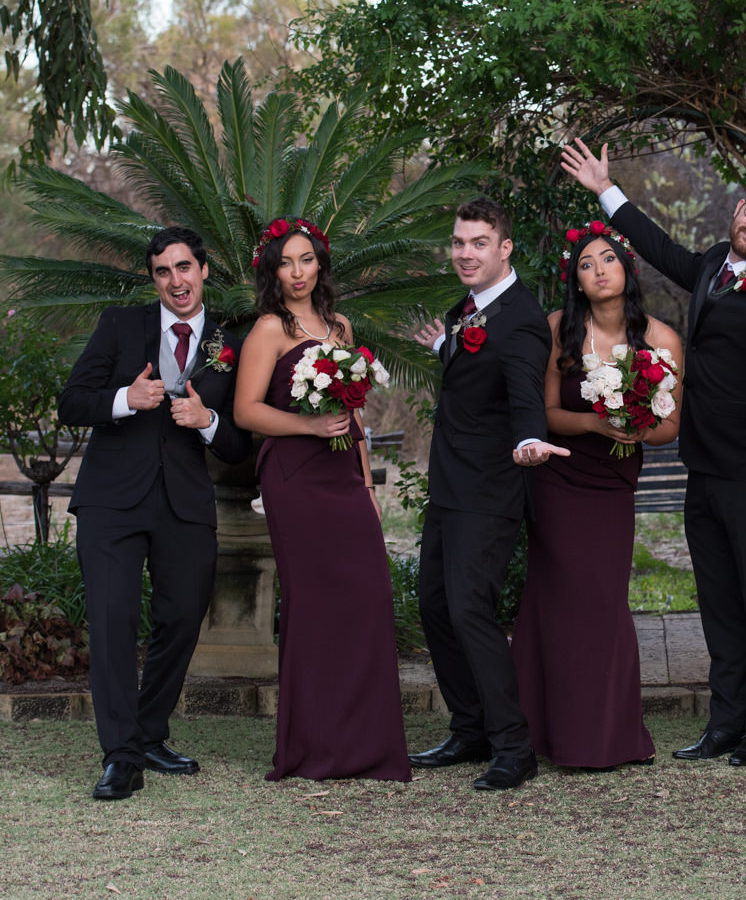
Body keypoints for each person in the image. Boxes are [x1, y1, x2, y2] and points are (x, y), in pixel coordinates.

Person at [562, 140, 746, 768]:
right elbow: (659, 250)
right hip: (704, 465)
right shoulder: (712, 262)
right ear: (738, 210)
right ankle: (723, 722)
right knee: (717, 602)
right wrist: (607, 189)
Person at [59, 227, 251, 801]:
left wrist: (208, 422)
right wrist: (124, 400)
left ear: (204, 271)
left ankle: (148, 732)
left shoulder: (230, 340)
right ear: (154, 279)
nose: (176, 280)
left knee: (183, 617)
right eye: (163, 271)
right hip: (111, 502)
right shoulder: (121, 325)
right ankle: (121, 756)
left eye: (184, 267)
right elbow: (71, 402)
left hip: (185, 504)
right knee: (114, 623)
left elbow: (243, 442)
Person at [232, 217, 410, 782]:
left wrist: (365, 481)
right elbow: (245, 412)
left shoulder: (340, 324)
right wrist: (309, 428)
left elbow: (353, 411)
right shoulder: (268, 329)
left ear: (320, 263)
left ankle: (367, 745)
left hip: (343, 477)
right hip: (295, 477)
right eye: (285, 262)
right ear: (272, 270)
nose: (297, 272)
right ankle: (315, 748)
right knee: (313, 608)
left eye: (305, 259)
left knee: (368, 599)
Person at [407, 198, 567, 791]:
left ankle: (513, 745)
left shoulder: (521, 317)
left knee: (469, 609)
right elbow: (479, 371)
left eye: (478, 243)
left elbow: (524, 388)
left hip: (490, 489)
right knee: (433, 606)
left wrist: (530, 438)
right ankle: (470, 727)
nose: (465, 253)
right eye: (458, 242)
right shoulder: (467, 309)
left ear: (505, 249)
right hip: (451, 485)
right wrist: (444, 350)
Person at [510, 225, 683, 769]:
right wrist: (594, 422)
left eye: (608, 259)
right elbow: (545, 415)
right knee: (555, 597)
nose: (599, 270)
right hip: (560, 476)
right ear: (576, 280)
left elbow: (670, 426)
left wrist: (633, 427)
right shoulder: (557, 329)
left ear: (627, 269)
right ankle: (543, 732)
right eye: (586, 264)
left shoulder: (661, 338)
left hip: (613, 481)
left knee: (603, 602)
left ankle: (606, 734)